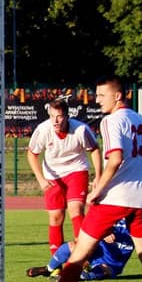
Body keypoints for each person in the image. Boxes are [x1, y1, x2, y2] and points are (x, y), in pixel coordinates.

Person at [41, 76, 142, 282]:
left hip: (116, 198)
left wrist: (97, 190)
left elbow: (115, 158)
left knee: (79, 255)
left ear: (118, 96)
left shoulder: (111, 121)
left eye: (102, 95)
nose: (97, 100)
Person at [26, 97, 102, 254]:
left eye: (59, 116)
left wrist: (98, 176)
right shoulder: (43, 130)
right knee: (55, 216)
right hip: (52, 175)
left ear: (67, 116)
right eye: (52, 116)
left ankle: (83, 256)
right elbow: (32, 154)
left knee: (76, 209)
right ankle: (56, 262)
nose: (55, 121)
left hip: (76, 171)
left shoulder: (81, 130)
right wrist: (41, 179)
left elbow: (94, 149)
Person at [26, 218, 134, 281]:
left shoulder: (137, 218)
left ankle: (64, 277)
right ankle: (48, 269)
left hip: (111, 263)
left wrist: (118, 237)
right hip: (95, 251)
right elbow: (92, 225)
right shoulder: (110, 212)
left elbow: (139, 240)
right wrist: (103, 233)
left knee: (103, 271)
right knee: (70, 246)